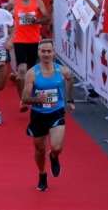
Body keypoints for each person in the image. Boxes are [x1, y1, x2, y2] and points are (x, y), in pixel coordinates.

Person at [21, 39, 75, 192]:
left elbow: (70, 80)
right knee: (39, 150)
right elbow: (24, 98)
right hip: (38, 114)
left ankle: (54, 156)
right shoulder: (32, 73)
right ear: (39, 53)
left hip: (56, 112)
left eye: (49, 51)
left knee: (57, 147)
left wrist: (70, 100)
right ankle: (42, 174)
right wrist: (36, 99)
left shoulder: (62, 71)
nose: (46, 54)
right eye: (43, 51)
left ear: (54, 53)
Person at [6, 0, 51, 112]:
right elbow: (4, 16)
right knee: (22, 70)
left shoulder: (37, 1)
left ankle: (25, 88)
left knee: (30, 72)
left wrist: (36, 20)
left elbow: (48, 18)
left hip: (34, 40)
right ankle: (23, 100)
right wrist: (8, 34)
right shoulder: (13, 2)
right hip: (19, 40)